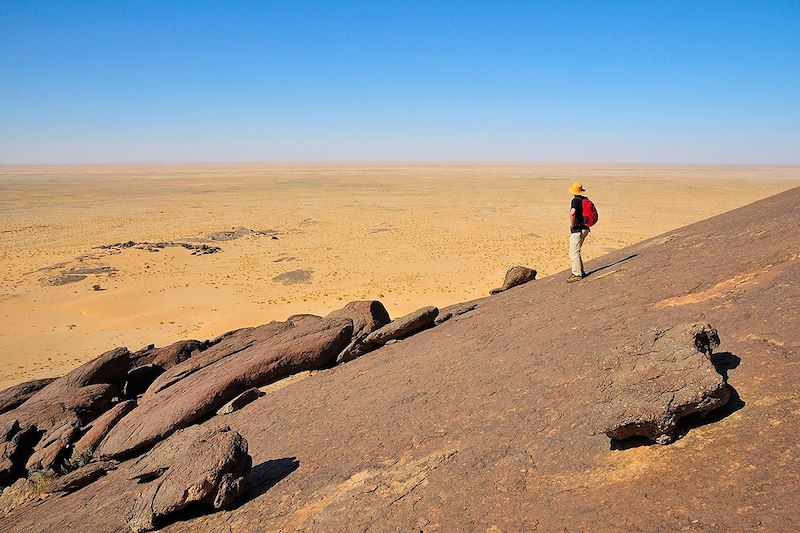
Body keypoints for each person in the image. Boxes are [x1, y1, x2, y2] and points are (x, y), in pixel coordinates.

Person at [567, 182, 589, 283]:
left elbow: (572, 213)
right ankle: (581, 271)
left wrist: (572, 224)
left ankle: (577, 274)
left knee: (573, 252)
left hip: (578, 229)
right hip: (585, 229)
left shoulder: (575, 200)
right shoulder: (585, 199)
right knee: (577, 251)